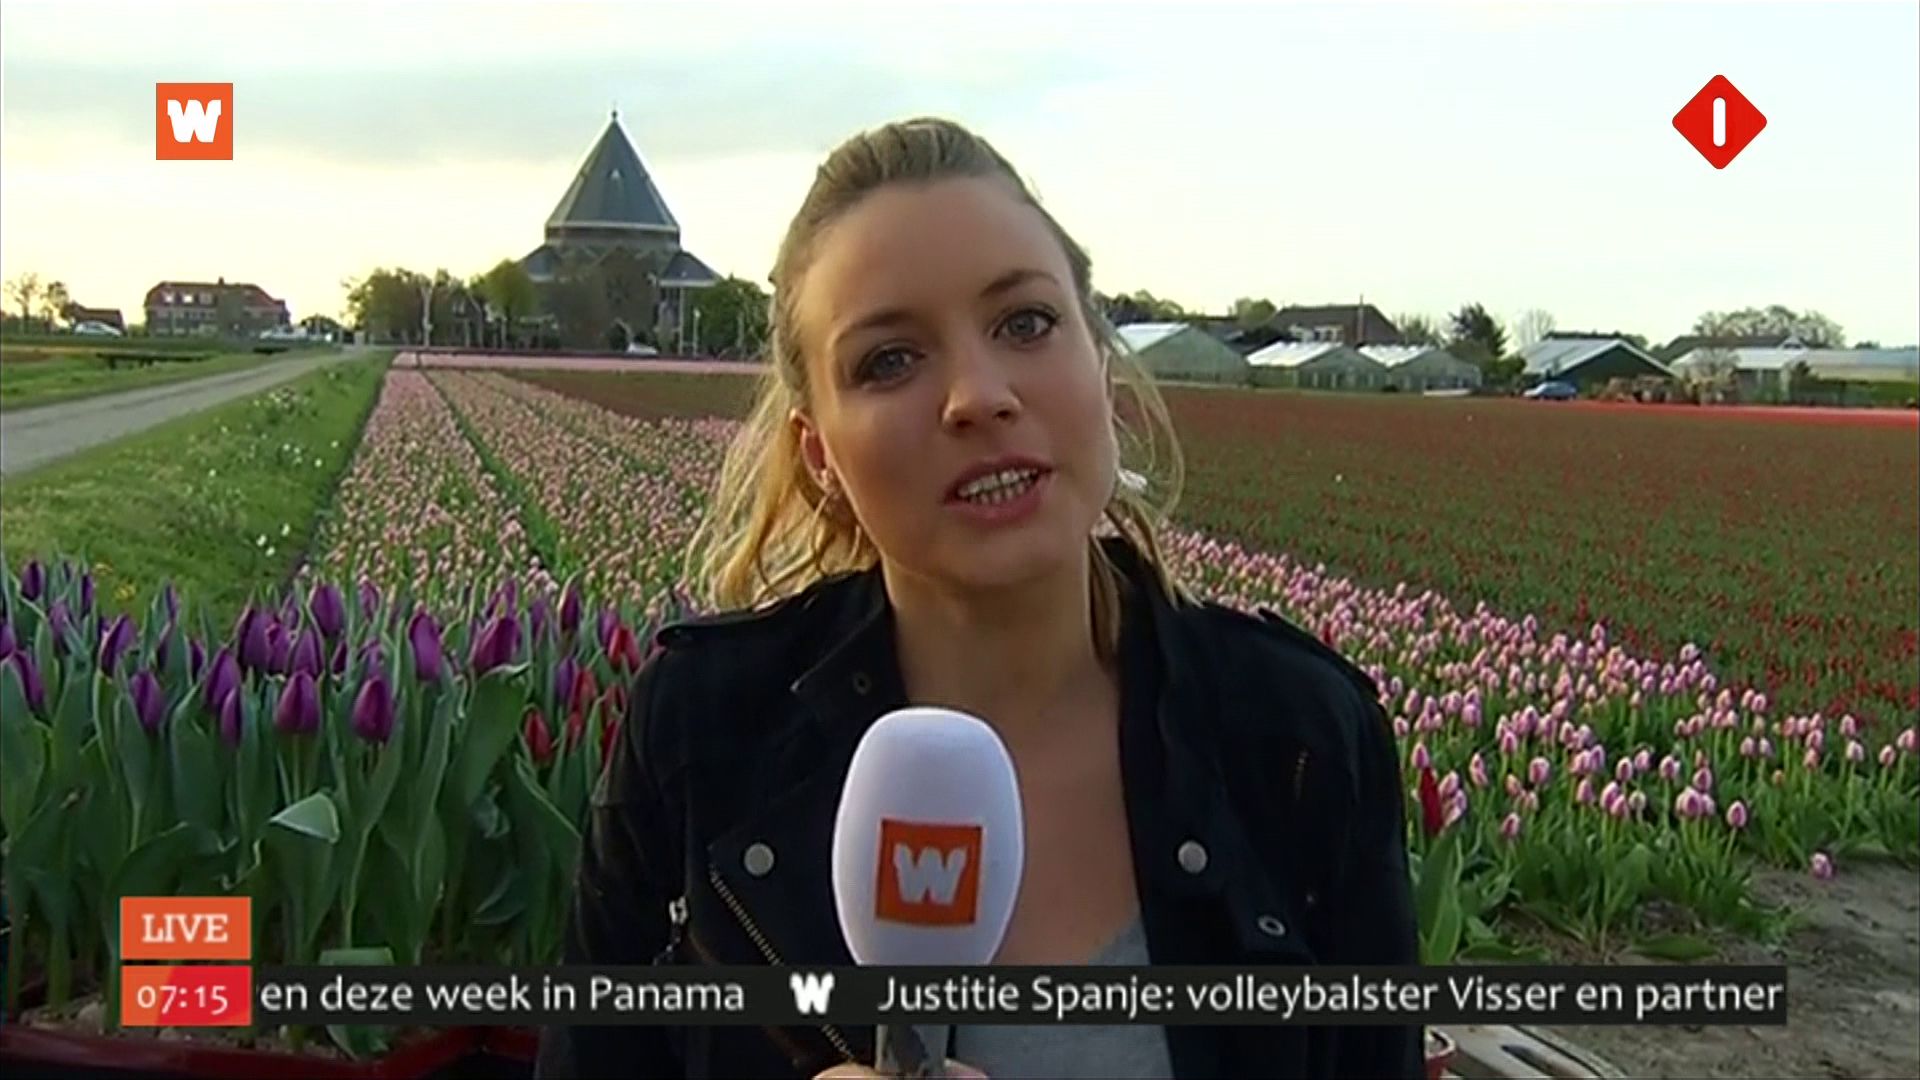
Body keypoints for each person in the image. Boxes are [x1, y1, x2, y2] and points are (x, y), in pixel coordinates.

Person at [535, 116, 1422, 1080]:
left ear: (1100, 365)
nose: (977, 395)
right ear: (820, 455)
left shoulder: (1297, 741)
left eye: (1025, 323)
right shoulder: (701, 735)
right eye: (889, 360)